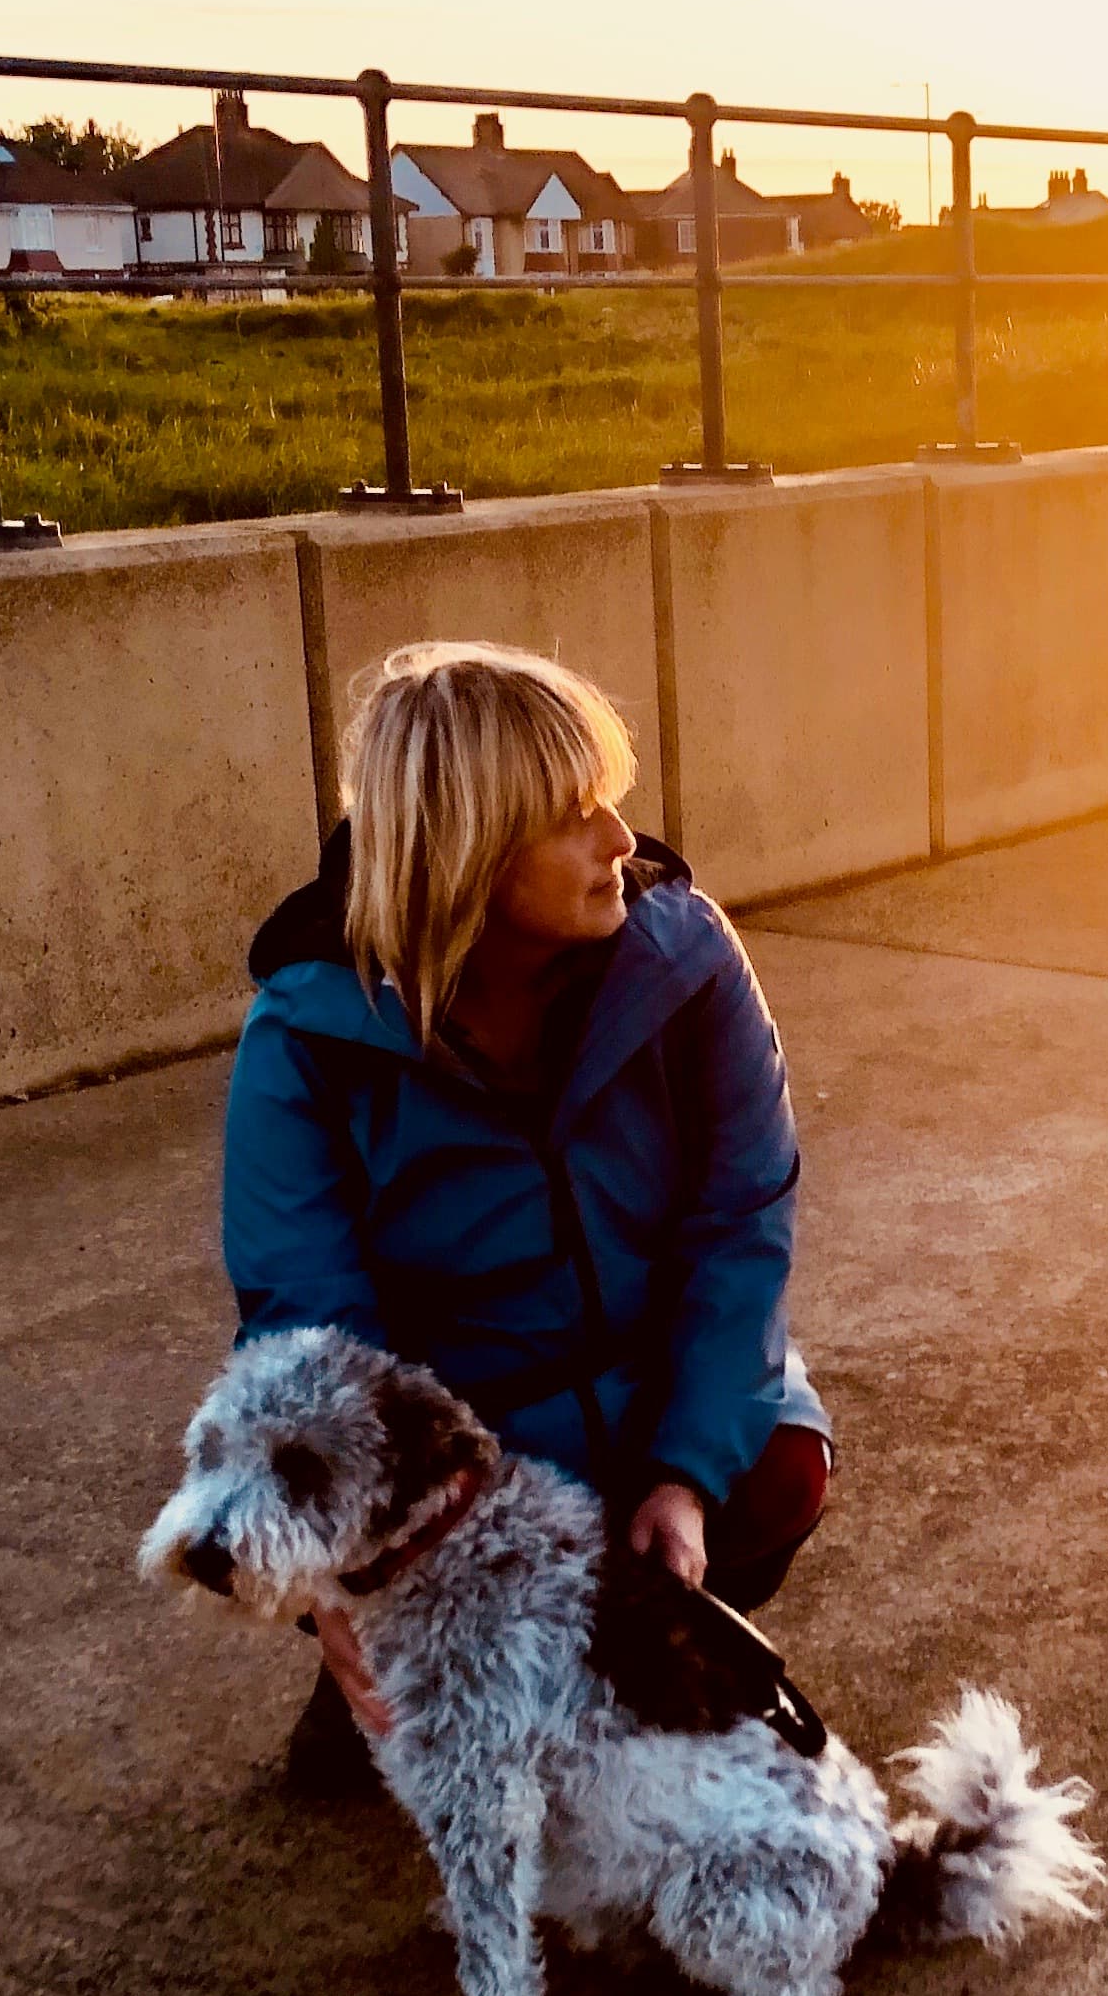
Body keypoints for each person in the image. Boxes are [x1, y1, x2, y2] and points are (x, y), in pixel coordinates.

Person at [219, 640, 831, 1793]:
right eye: (573, 815)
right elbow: (306, 1331)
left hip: (649, 1390)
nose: (620, 842)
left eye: (611, 800)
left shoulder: (686, 968)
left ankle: (616, 1647)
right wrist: (353, 1566)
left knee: (779, 1468)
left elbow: (740, 1225)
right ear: (470, 855)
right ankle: (409, 1679)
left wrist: (683, 1475)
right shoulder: (305, 1040)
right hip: (464, 1458)